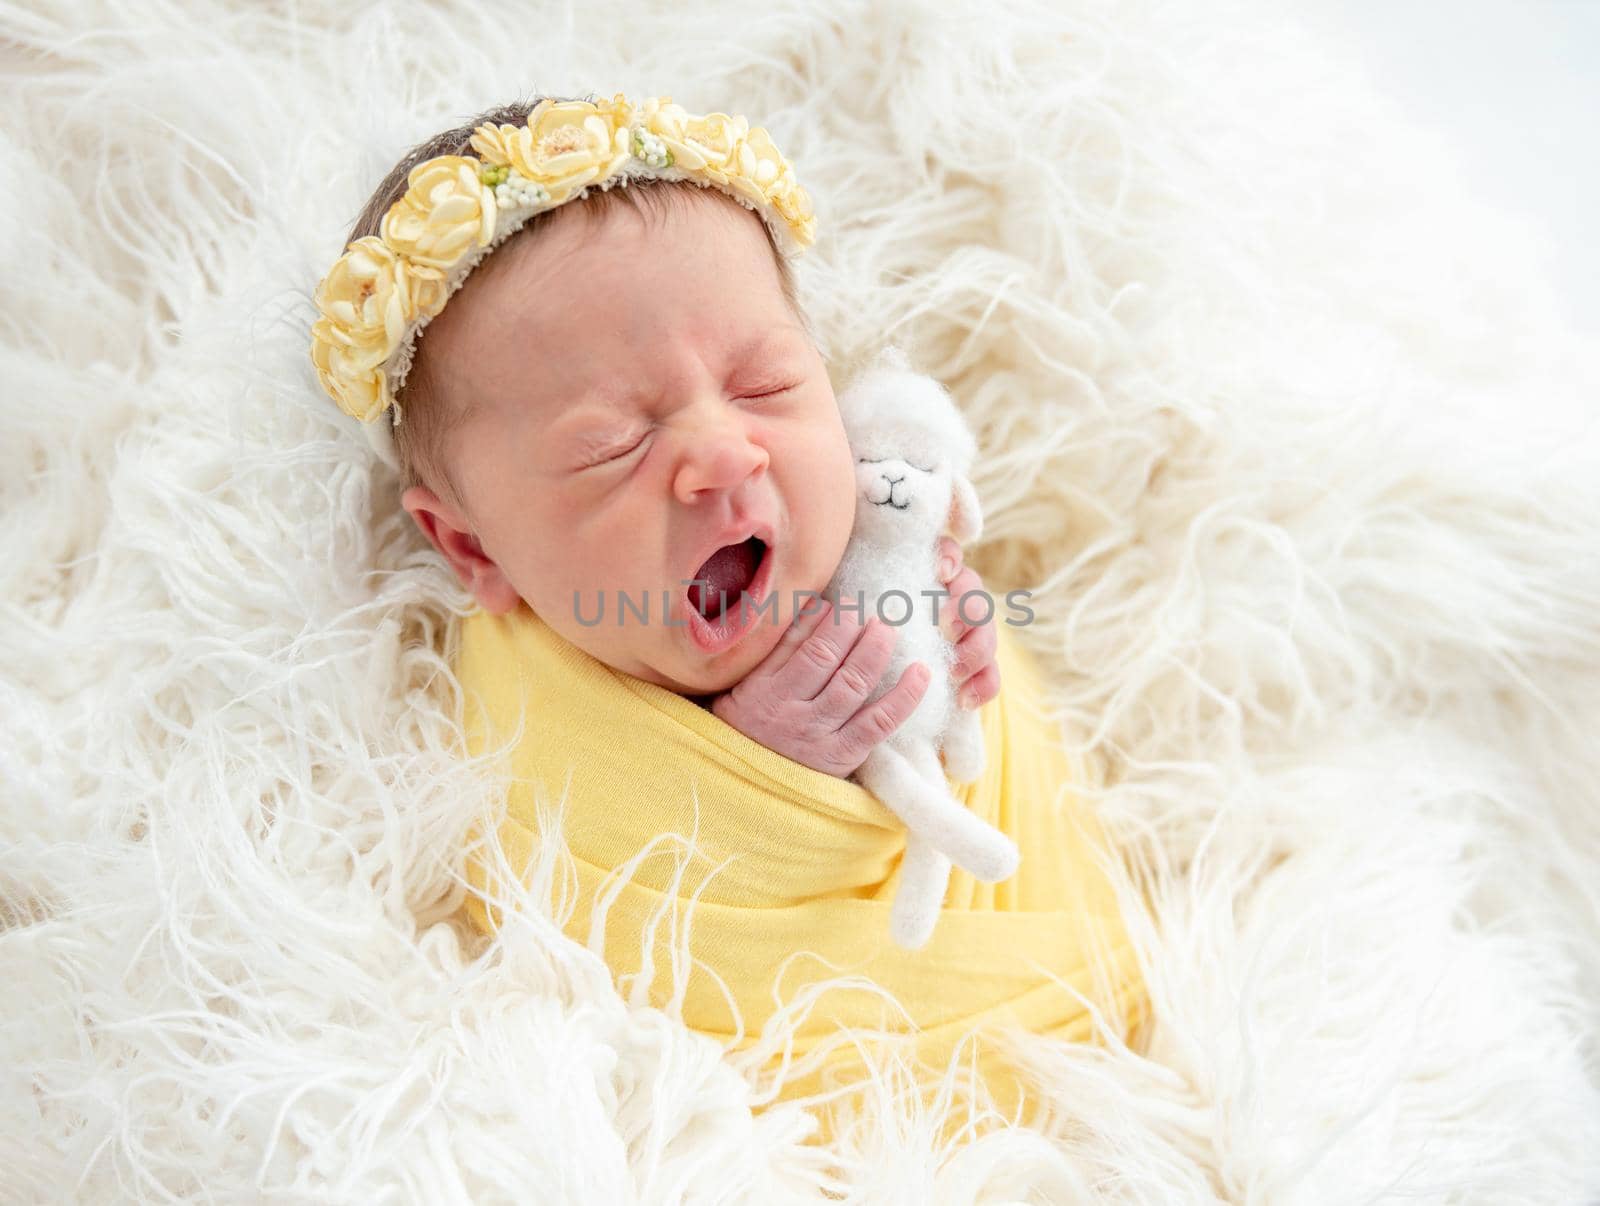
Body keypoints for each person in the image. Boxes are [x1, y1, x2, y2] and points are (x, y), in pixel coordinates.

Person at [309, 92, 1148, 1145]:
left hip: (1075, 1032)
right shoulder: (521, 698)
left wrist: (960, 652)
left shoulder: (871, 531)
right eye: (610, 444)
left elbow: (993, 738)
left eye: (764, 385)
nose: (722, 453)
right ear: (475, 548)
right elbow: (578, 912)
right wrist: (764, 771)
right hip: (815, 1111)